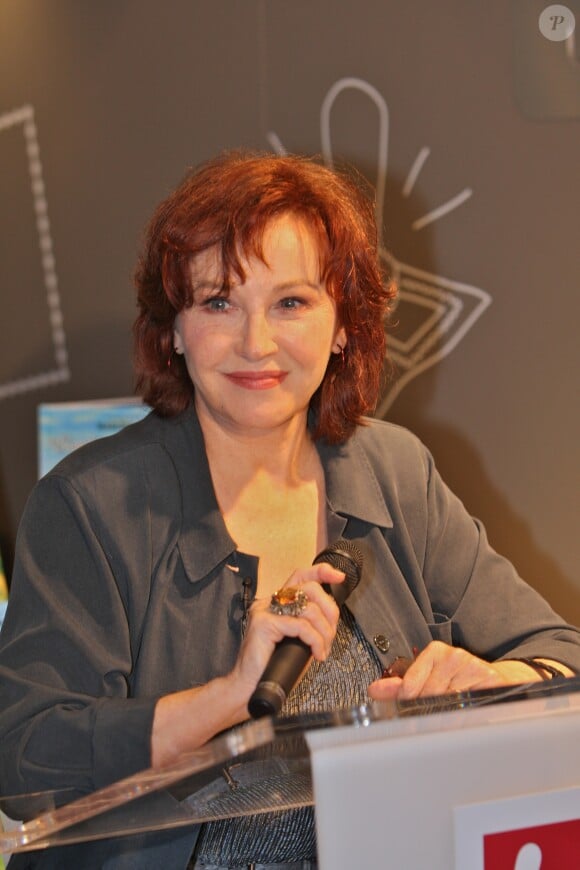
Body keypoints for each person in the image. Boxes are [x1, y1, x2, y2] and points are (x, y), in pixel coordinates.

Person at [1, 151, 579, 869]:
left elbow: (560, 658)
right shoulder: (90, 505)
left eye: (291, 303)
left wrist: (491, 685)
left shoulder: (394, 472)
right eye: (218, 303)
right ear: (174, 329)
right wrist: (226, 699)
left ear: (343, 326)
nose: (256, 342)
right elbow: (23, 759)